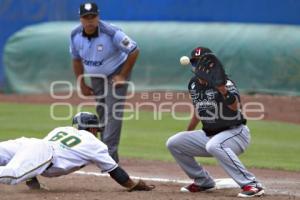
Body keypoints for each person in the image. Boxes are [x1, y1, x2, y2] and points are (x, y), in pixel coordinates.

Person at [166, 47, 264, 198]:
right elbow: (199, 110)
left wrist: (223, 90)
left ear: (211, 64)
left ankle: (252, 184)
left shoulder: (224, 82)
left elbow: (235, 107)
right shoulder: (193, 84)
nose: (199, 66)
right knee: (174, 142)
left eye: (202, 62)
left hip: (235, 133)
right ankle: (203, 181)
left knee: (214, 145)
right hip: (211, 134)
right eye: (195, 62)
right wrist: (188, 132)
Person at [0, 112, 155, 192]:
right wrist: (133, 185)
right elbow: (115, 171)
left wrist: (33, 184)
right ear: (93, 129)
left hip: (29, 143)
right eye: (97, 129)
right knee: (12, 175)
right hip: (44, 152)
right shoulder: (95, 143)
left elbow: (31, 157)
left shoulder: (62, 129)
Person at [69, 2, 139, 163]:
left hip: (115, 72)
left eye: (92, 16)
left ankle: (110, 154)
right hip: (96, 77)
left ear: (98, 16)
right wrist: (81, 83)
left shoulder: (111, 32)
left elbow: (134, 50)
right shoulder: (75, 35)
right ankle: (102, 150)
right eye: (86, 17)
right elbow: (76, 60)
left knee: (113, 111)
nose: (89, 20)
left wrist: (122, 75)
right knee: (101, 110)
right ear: (80, 19)